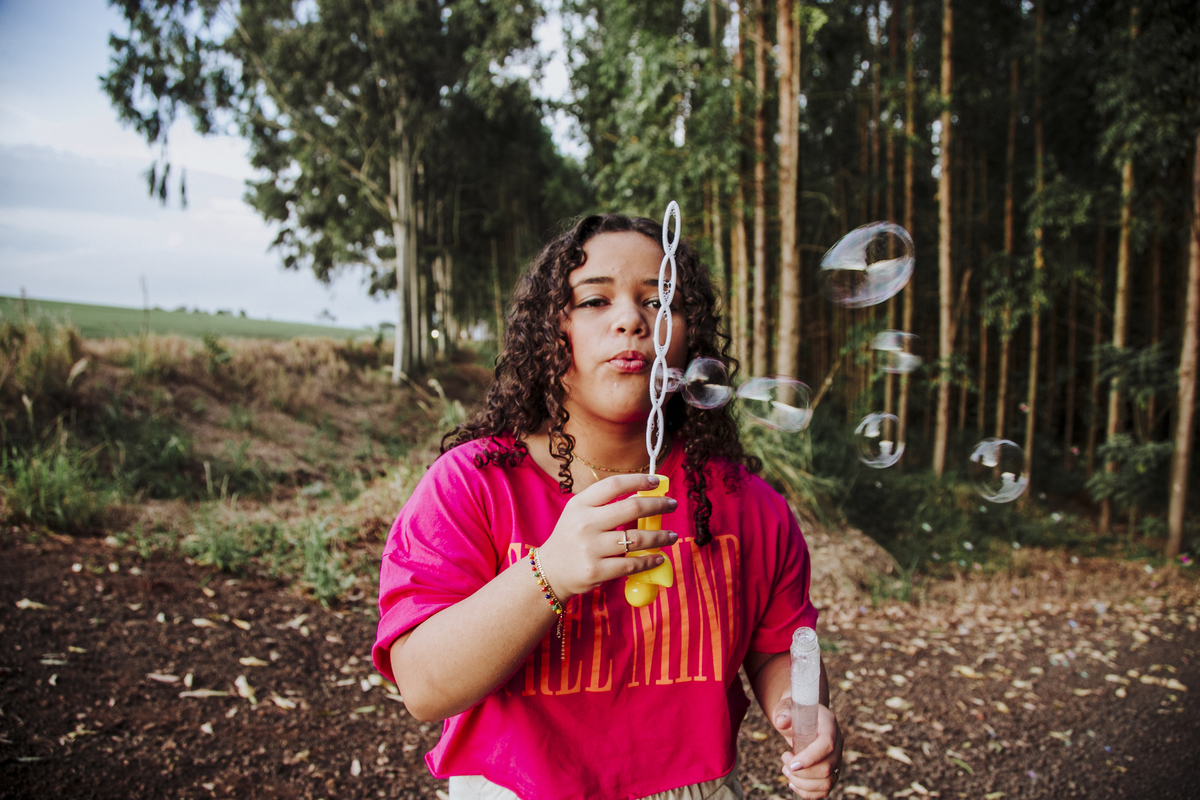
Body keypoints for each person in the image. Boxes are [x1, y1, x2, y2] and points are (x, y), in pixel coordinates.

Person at [372, 214, 843, 800]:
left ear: (690, 338)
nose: (632, 321)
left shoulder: (749, 506)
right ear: (552, 331)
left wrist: (803, 713)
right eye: (595, 300)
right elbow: (423, 687)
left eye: (660, 301)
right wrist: (549, 573)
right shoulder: (472, 486)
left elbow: (777, 651)